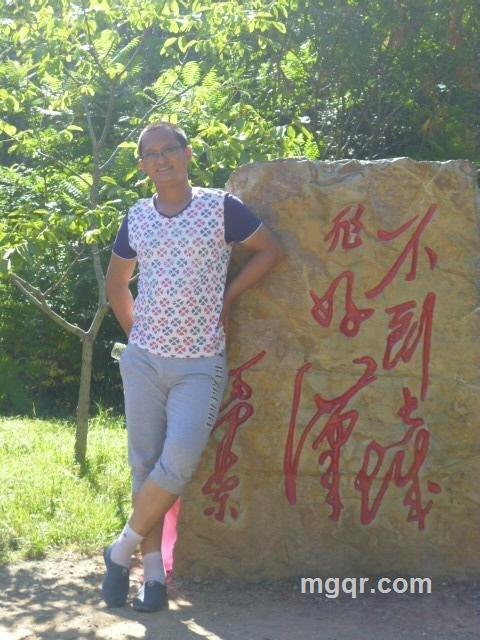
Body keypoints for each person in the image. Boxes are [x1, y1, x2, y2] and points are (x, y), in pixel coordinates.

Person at [103, 121, 281, 612]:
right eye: (150, 153)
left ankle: (119, 550)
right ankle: (152, 579)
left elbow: (269, 251)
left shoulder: (220, 208)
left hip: (200, 363)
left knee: (177, 462)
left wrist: (229, 295)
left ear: (186, 153)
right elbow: (117, 284)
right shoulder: (137, 217)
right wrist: (137, 334)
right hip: (144, 362)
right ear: (142, 165)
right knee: (144, 466)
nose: (161, 159)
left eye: (169, 149)